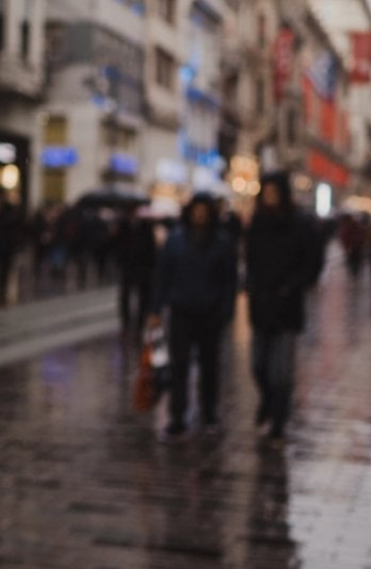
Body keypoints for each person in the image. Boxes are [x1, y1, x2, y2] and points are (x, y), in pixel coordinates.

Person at [148, 193, 237, 440]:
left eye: (204, 210)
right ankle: (178, 416)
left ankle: (209, 415)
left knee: (210, 367)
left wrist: (226, 310)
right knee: (180, 365)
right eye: (196, 210)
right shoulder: (176, 241)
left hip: (210, 313)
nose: (200, 215)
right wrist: (155, 309)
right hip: (182, 312)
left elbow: (229, 279)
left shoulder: (221, 242)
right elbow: (162, 276)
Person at [245, 172, 323, 446]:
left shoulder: (299, 224)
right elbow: (250, 259)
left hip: (286, 306)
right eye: (265, 191)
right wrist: (252, 285)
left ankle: (278, 421)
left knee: (281, 371)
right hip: (260, 305)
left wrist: (294, 285)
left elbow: (313, 261)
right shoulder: (256, 222)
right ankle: (267, 400)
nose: (269, 196)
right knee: (257, 365)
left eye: (274, 191)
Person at [116, 207, 158, 342]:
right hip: (128, 267)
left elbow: (151, 248)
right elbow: (118, 245)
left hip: (143, 268)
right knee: (125, 297)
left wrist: (151, 267)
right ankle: (126, 325)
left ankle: (139, 327)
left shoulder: (145, 227)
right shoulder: (123, 226)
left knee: (142, 298)